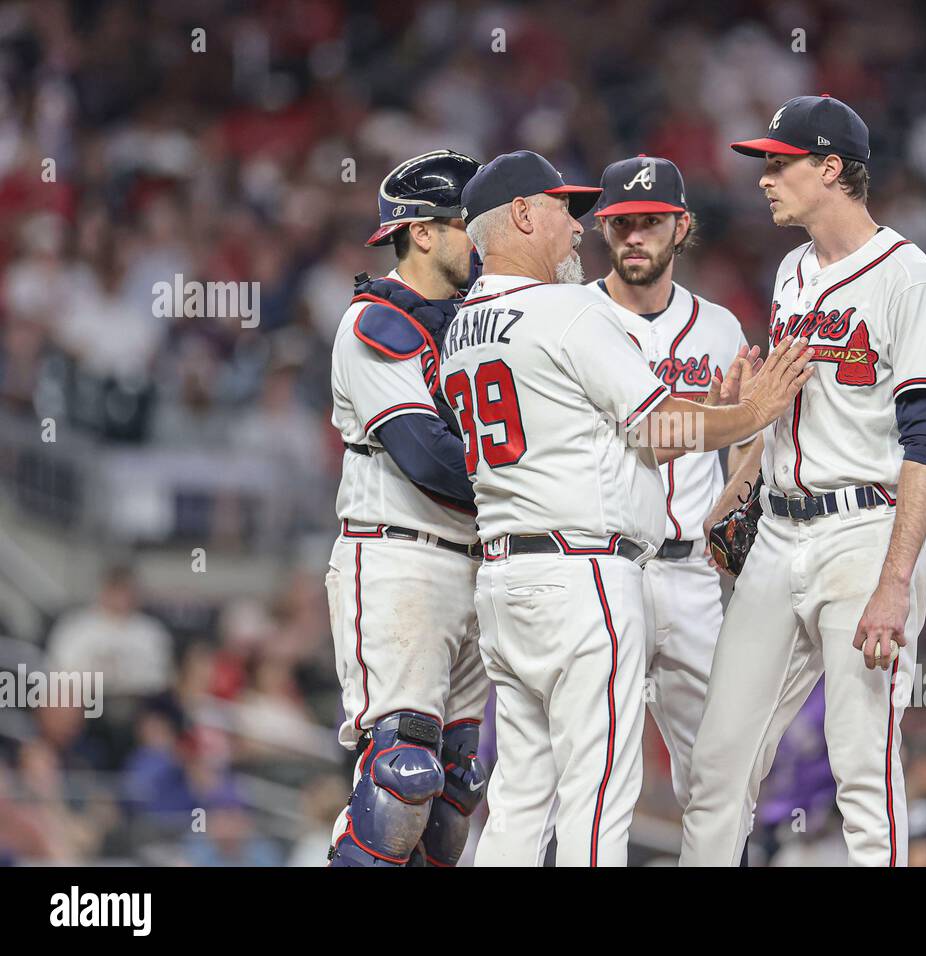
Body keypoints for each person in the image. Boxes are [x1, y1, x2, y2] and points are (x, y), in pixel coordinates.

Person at [439, 149, 811, 866]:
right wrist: (752, 412)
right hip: (584, 574)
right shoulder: (569, 308)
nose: (574, 228)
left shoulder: (462, 326)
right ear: (521, 215)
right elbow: (658, 429)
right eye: (560, 211)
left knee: (518, 798)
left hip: (506, 576)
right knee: (599, 794)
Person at [680, 95, 926, 867]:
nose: (765, 178)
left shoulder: (912, 280)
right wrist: (732, 498)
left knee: (862, 769)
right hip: (778, 532)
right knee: (717, 764)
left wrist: (896, 580)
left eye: (780, 162)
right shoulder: (791, 273)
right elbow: (779, 413)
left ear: (831, 168)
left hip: (866, 532)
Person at [325, 149, 490, 867]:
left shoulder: (486, 317)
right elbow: (426, 457)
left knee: (455, 783)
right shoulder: (374, 320)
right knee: (403, 773)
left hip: (476, 560)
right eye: (464, 224)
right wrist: (532, 487)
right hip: (401, 553)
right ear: (421, 232)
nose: (478, 240)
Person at [587, 154, 755, 814]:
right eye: (622, 223)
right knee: (589, 771)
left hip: (691, 576)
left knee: (720, 779)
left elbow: (748, 445)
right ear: (603, 228)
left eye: (650, 222)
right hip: (602, 568)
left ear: (681, 227)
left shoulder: (718, 328)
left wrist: (734, 521)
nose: (635, 237)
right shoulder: (573, 319)